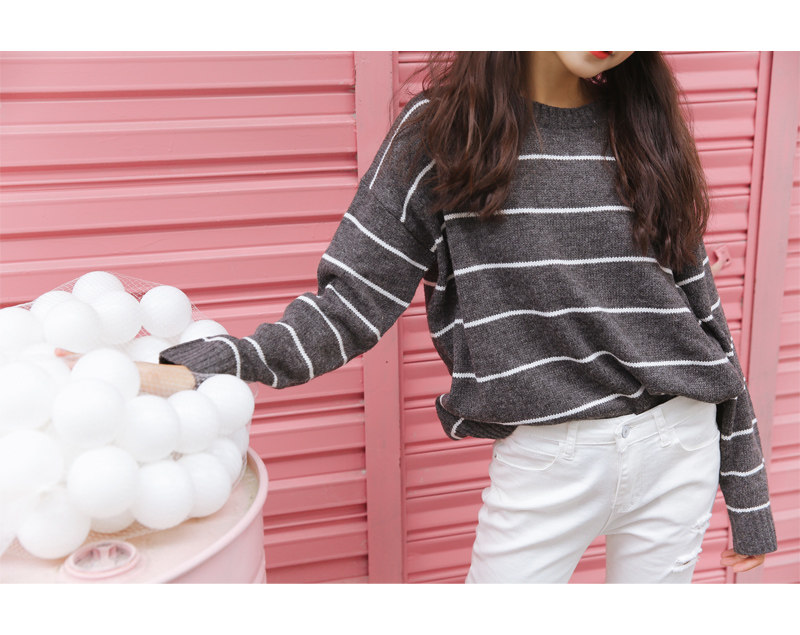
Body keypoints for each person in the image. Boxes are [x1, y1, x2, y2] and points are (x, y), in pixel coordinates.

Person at [156, 51, 778, 582]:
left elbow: (703, 317)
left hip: (679, 445)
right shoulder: (441, 133)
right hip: (549, 460)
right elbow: (352, 303)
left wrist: (748, 498)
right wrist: (230, 360)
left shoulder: (643, 128)